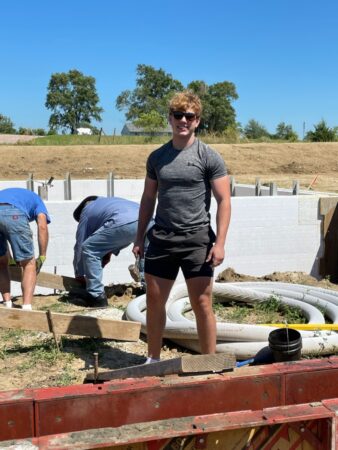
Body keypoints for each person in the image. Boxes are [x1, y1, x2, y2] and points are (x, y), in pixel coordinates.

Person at [133, 91, 231, 363]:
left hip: (197, 241)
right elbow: (148, 198)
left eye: (189, 116)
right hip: (162, 240)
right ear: (170, 119)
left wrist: (220, 243)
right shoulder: (157, 157)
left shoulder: (209, 157)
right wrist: (139, 237)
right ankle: (152, 359)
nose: (183, 121)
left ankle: (209, 363)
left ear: (197, 121)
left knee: (202, 303)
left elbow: (224, 200)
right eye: (178, 115)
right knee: (154, 303)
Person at [73, 195, 144, 308]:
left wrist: (80, 273)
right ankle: (147, 291)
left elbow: (80, 245)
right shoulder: (109, 202)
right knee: (145, 253)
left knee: (89, 248)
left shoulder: (86, 211)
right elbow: (112, 237)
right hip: (148, 219)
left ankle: (96, 297)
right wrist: (106, 253)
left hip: (124, 223)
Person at [0, 187, 50, 310]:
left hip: (7, 210)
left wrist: (10, 259)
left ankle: (7, 303)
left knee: (1, 263)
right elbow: (42, 226)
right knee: (28, 264)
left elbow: (5, 232)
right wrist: (42, 256)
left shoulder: (11, 195)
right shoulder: (38, 202)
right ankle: (26, 307)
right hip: (14, 213)